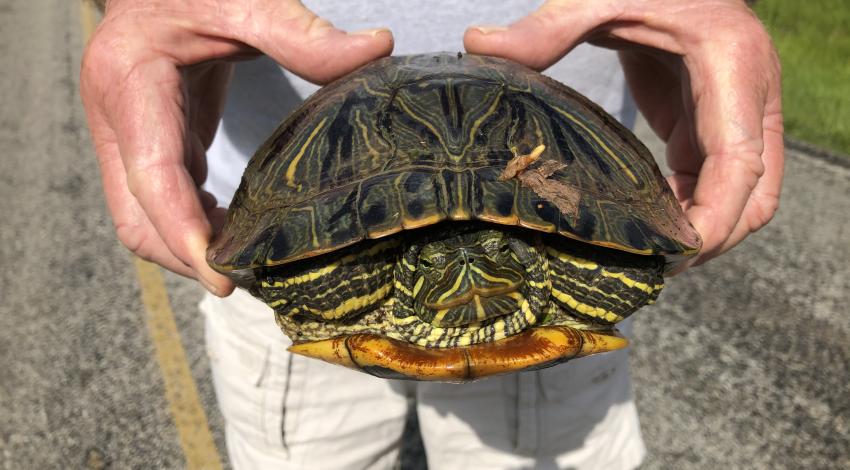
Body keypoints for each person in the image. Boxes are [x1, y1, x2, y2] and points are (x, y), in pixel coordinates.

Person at [80, 1, 783, 468]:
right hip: (316, 236)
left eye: (490, 255)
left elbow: (634, 264)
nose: (472, 266)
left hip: (551, 193)